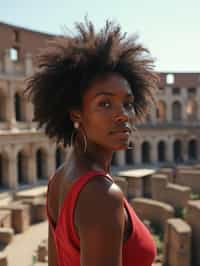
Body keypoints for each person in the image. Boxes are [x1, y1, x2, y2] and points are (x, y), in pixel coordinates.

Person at [25, 19, 159, 266]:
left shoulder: (59, 178)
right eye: (105, 103)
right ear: (76, 113)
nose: (123, 114)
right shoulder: (102, 195)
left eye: (127, 103)